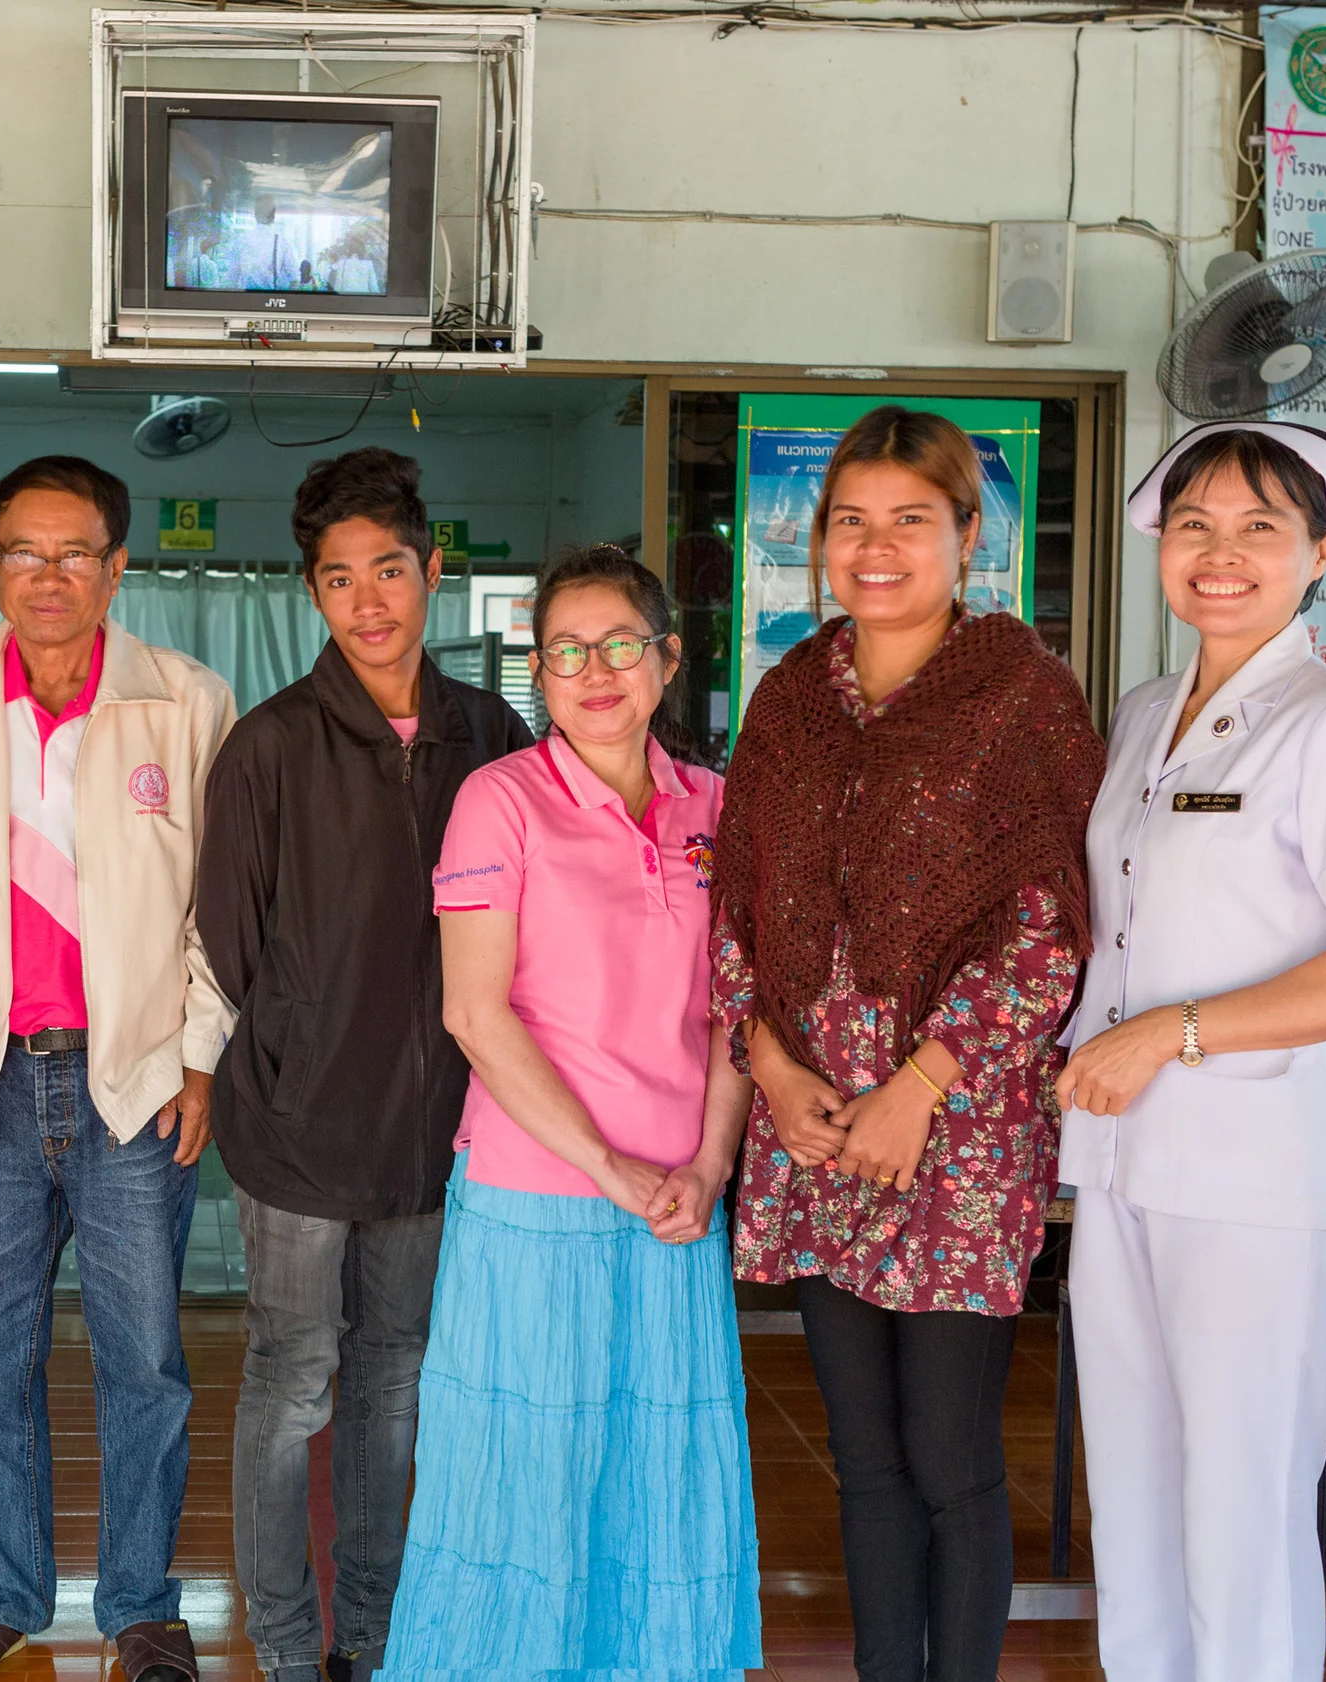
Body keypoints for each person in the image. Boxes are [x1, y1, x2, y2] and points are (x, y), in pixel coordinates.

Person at [710, 405, 1105, 1682]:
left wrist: (919, 1087)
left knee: (948, 1458)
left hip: (955, 1138)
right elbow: (735, 901)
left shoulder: (1021, 695)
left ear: (967, 535)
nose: (876, 548)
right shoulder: (788, 693)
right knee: (863, 1457)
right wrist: (769, 1065)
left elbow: (1049, 926)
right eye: (850, 521)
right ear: (818, 536)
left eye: (909, 521)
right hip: (815, 1125)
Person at [0, 455, 237, 1682]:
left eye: (78, 553)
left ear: (118, 566)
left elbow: (223, 905)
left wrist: (200, 1052)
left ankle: (141, 1608)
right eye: (26, 550)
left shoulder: (183, 702)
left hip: (130, 1078)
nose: (50, 575)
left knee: (146, 1366)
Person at [1057, 422, 1326, 1682]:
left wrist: (1175, 1030)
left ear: (1320, 551)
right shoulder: (1146, 712)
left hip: (1254, 1179)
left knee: (1239, 1511)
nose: (1221, 553)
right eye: (1198, 524)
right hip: (1121, 1164)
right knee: (1139, 1502)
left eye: (1260, 527)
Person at [379, 544, 761, 1680]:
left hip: (675, 1206)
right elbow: (474, 1011)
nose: (594, 670)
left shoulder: (718, 807)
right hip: (536, 1191)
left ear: (667, 658)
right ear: (535, 671)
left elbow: (730, 1010)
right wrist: (608, 1164)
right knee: (522, 1471)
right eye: (564, 651)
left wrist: (709, 1160)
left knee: (661, 1462)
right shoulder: (499, 801)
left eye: (620, 644)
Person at [195, 448, 531, 1682]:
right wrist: (300, 1053)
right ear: (314, 596)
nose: (368, 599)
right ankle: (287, 1645)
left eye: (388, 568)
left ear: (432, 571)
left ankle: (375, 1640)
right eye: (339, 579)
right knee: (292, 1379)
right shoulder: (271, 745)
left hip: (441, 1126)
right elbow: (230, 944)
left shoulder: (491, 736)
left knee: (395, 1380)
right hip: (297, 1127)